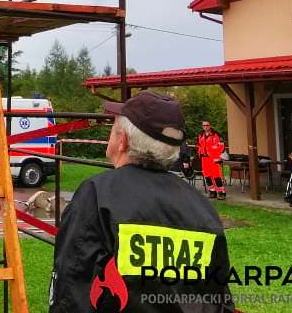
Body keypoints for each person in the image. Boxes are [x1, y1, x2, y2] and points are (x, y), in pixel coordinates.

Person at [49, 91, 233, 312]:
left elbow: (72, 289)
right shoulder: (202, 207)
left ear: (123, 141)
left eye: (113, 129)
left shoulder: (97, 195)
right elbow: (219, 298)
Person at [197, 120, 227, 200]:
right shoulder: (200, 135)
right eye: (204, 125)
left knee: (216, 176)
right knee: (207, 176)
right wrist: (200, 154)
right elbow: (200, 146)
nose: (205, 127)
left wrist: (217, 155)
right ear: (202, 126)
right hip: (204, 158)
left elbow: (222, 146)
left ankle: (221, 192)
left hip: (214, 159)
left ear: (210, 126)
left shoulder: (216, 135)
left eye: (207, 125)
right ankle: (212, 191)